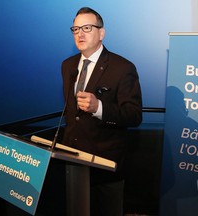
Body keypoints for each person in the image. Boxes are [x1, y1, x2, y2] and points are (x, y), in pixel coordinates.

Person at [61, 7, 142, 216]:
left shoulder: (122, 67)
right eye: (75, 29)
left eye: (87, 28)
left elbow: (134, 115)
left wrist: (100, 108)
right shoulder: (68, 65)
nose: (80, 33)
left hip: (105, 167)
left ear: (101, 33)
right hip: (72, 163)